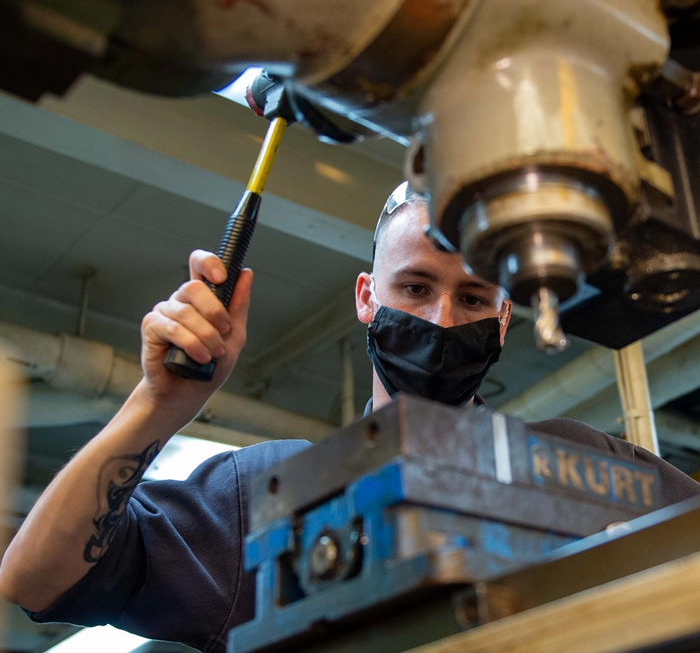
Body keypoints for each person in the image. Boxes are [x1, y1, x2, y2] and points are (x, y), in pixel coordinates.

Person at [1, 183, 699, 653]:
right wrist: (158, 405)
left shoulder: (591, 469)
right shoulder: (267, 492)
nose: (441, 320)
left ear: (505, 316)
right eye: (415, 287)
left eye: (473, 298)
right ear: (367, 297)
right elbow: (36, 578)